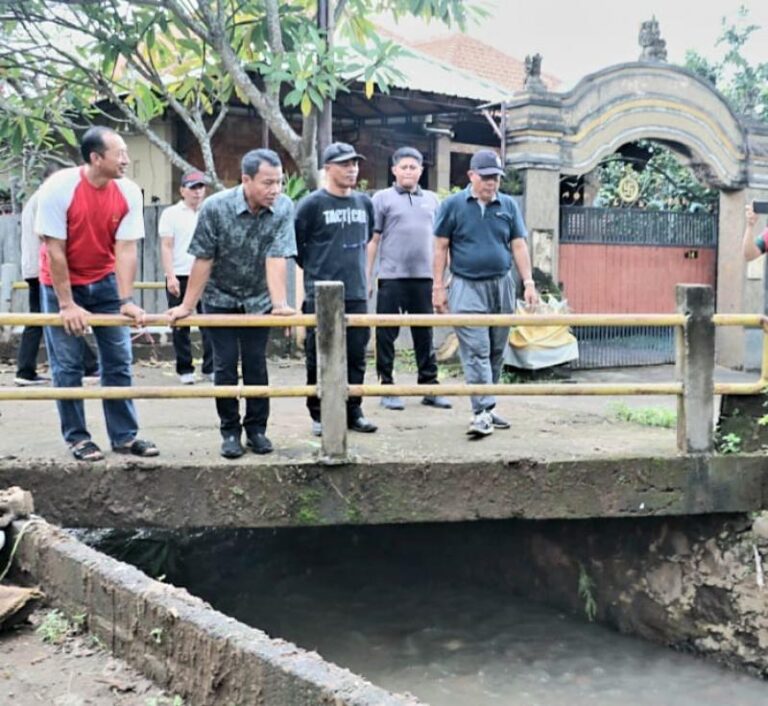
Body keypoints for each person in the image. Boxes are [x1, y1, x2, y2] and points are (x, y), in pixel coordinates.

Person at [36, 125, 158, 461]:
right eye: (119, 153)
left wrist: (126, 300)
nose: (126, 160)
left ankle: (124, 436)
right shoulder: (59, 188)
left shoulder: (129, 192)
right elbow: (54, 249)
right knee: (68, 365)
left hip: (104, 280)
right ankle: (77, 437)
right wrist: (67, 304)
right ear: (95, 157)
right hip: (60, 281)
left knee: (119, 361)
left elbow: (126, 247)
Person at [166, 148, 296, 459]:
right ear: (246, 180)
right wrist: (186, 305)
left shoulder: (284, 207)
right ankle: (229, 431)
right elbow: (203, 259)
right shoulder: (215, 207)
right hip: (220, 296)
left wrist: (279, 303)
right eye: (267, 183)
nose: (274, 190)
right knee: (223, 366)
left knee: (256, 364)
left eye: (279, 182)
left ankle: (257, 430)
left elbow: (276, 256)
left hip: (258, 297)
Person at [432, 149, 538, 439]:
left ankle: (487, 407)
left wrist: (528, 282)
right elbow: (440, 246)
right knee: (476, 348)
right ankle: (481, 412)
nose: (492, 184)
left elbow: (518, 245)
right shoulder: (452, 205)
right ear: (471, 176)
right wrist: (438, 286)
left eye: (496, 179)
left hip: (501, 284)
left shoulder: (508, 206)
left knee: (495, 349)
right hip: (466, 286)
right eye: (487, 178)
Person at [295, 141, 378, 435]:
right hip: (320, 294)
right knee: (319, 355)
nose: (352, 169)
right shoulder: (311, 205)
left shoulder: (365, 203)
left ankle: (353, 410)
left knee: (356, 355)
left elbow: (368, 240)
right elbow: (298, 251)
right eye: (344, 164)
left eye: (354, 164)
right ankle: (318, 413)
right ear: (328, 169)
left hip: (354, 292)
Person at [367, 147, 452, 411]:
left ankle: (429, 386)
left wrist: (445, 275)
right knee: (386, 335)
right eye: (403, 167)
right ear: (393, 170)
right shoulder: (381, 199)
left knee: (424, 335)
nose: (408, 171)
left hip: (424, 279)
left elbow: (442, 242)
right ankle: (387, 387)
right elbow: (373, 239)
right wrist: (367, 277)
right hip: (392, 278)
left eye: (413, 167)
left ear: (420, 171)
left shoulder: (433, 200)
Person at [15, 165, 99, 386]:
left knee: (44, 319)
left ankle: (26, 369)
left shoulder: (36, 199)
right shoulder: (46, 198)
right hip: (43, 269)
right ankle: (89, 364)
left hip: (35, 266)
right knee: (56, 318)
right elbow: (49, 238)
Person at [159, 169, 213, 384]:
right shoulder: (171, 214)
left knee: (210, 324)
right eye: (192, 188)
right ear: (182, 190)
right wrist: (170, 275)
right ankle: (185, 369)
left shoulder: (210, 210)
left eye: (200, 187)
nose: (197, 192)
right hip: (180, 274)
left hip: (207, 276)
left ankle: (210, 368)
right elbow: (166, 245)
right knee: (180, 325)